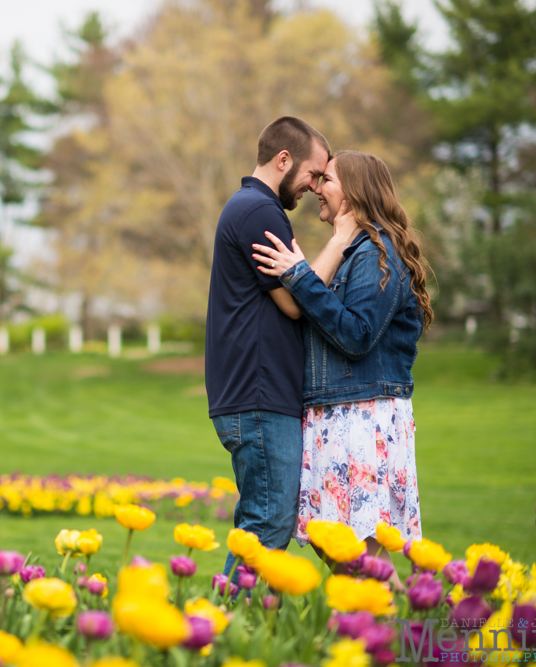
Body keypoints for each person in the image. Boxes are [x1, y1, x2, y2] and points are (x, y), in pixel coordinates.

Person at [251, 149, 433, 588]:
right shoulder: (352, 252)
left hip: (362, 416)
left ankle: (371, 629)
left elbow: (356, 335)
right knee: (333, 543)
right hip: (334, 413)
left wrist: (299, 276)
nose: (316, 187)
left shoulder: (376, 253)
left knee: (356, 550)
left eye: (326, 179)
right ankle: (373, 620)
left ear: (352, 193)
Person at [206, 117, 358, 581]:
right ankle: (224, 634)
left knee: (266, 520)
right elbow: (295, 301)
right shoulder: (258, 211)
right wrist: (340, 240)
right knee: (266, 522)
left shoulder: (250, 208)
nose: (315, 187)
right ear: (283, 159)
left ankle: (235, 629)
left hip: (258, 395)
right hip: (259, 394)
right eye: (314, 174)